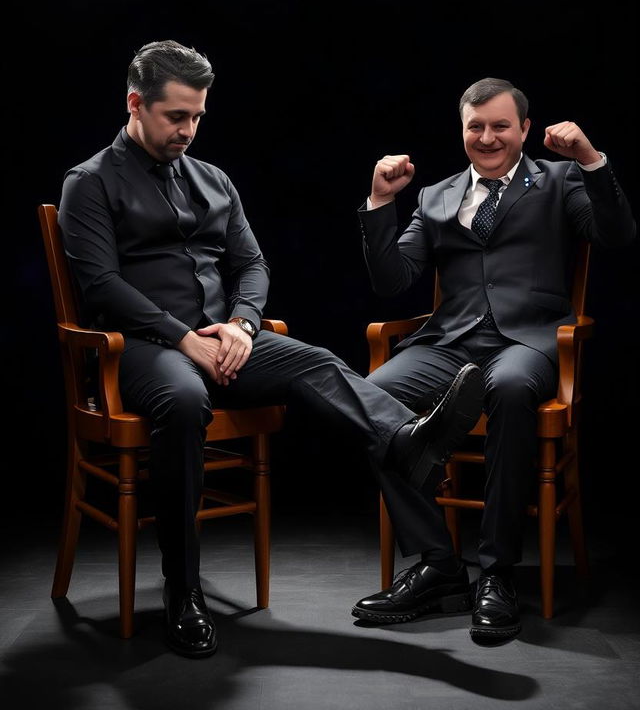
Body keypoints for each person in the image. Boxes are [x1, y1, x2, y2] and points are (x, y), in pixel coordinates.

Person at [57, 40, 486, 659]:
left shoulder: (213, 179)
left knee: (314, 360)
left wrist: (241, 327)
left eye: (198, 116)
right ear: (135, 104)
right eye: (176, 116)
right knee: (181, 404)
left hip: (223, 341)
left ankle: (406, 438)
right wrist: (184, 340)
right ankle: (183, 593)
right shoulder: (90, 182)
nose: (189, 129)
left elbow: (252, 265)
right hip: (142, 350)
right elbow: (101, 285)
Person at [352, 77, 635, 643]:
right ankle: (438, 562)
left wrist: (590, 157)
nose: (487, 137)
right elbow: (392, 282)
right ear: (462, 131)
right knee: (367, 396)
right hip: (448, 343)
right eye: (475, 127)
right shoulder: (436, 196)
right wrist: (382, 202)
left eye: (500, 126)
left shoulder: (560, 180)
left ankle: (497, 573)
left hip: (526, 344)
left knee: (506, 388)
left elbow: (617, 234)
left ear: (525, 129)